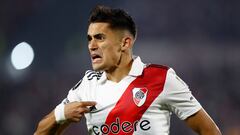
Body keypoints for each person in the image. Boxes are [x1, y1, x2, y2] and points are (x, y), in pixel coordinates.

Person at [34, 5, 222, 135]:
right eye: (89, 38)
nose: (91, 45)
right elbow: (41, 131)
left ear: (125, 43)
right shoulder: (86, 85)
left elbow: (210, 131)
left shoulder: (162, 79)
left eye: (99, 38)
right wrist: (61, 114)